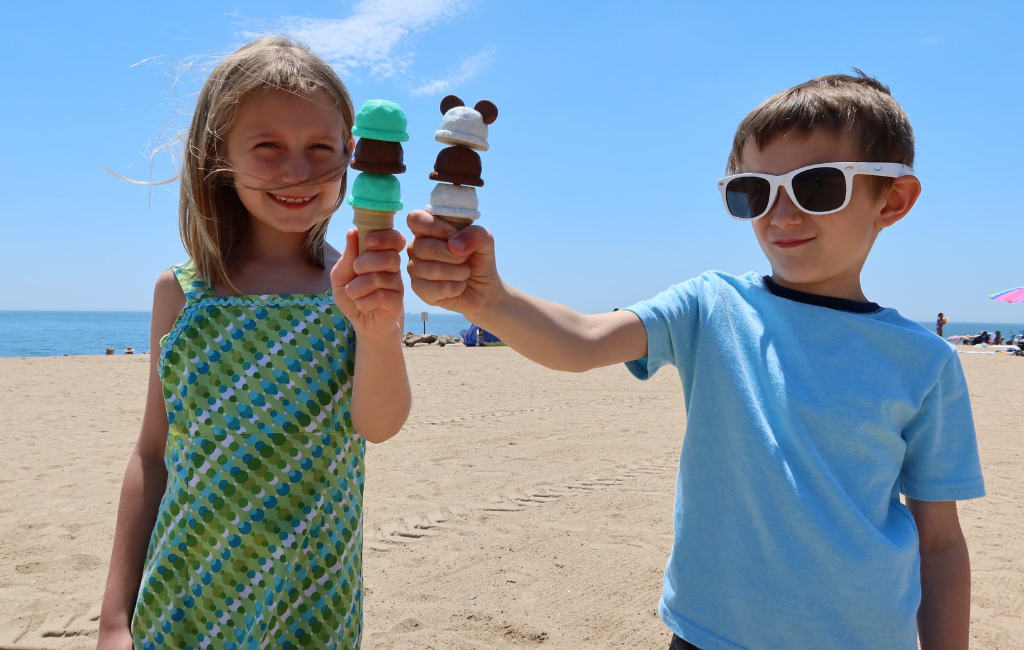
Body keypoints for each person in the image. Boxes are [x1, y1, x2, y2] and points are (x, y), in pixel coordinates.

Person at [406, 72, 985, 649]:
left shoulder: (924, 361)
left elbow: (940, 542)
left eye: (817, 186)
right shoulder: (712, 306)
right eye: (754, 191)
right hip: (709, 636)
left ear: (893, 199)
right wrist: (490, 299)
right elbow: (580, 340)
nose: (781, 215)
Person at [97, 36, 411, 649]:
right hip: (185, 593)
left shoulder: (350, 288)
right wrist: (114, 617)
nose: (298, 170)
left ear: (352, 154)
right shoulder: (181, 293)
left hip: (311, 590)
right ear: (219, 153)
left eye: (320, 147)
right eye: (268, 147)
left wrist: (379, 333)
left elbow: (378, 425)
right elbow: (151, 455)